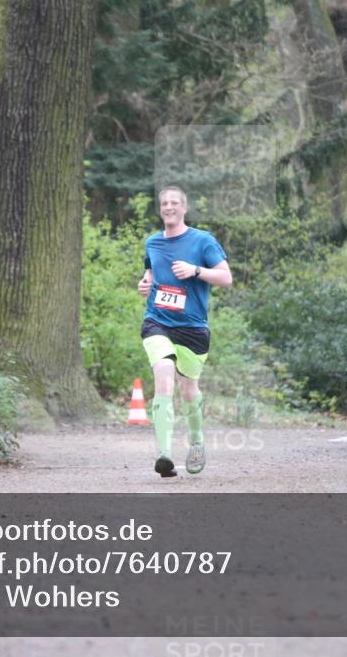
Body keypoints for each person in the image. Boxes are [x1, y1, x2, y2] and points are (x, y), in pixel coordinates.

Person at [137, 186, 232, 477]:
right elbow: (150, 272)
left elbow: (226, 277)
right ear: (160, 209)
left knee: (188, 389)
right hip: (158, 321)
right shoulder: (153, 243)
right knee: (163, 377)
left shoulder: (202, 241)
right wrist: (144, 283)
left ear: (184, 208)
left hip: (192, 328)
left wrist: (195, 271)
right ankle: (164, 454)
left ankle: (196, 440)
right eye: (164, 203)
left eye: (174, 203)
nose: (168, 207)